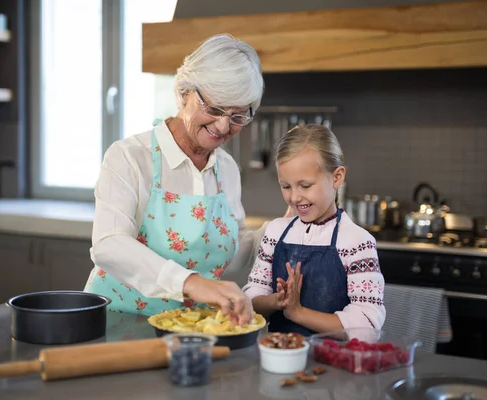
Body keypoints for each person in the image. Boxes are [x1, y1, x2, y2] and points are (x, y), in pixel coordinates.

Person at [84, 34, 265, 326]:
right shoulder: (130, 157)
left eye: (238, 116)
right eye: (215, 109)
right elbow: (109, 244)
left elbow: (225, 250)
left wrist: (277, 231)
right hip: (120, 323)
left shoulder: (227, 168)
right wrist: (191, 283)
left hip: (189, 329)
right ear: (184, 93)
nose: (223, 126)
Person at [243, 124, 386, 335]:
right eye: (286, 186)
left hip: (335, 362)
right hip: (281, 357)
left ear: (337, 177)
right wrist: (276, 300)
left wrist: (297, 312)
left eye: (306, 185)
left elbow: (366, 325)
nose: (294, 197)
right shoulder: (275, 233)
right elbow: (250, 301)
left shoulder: (356, 242)